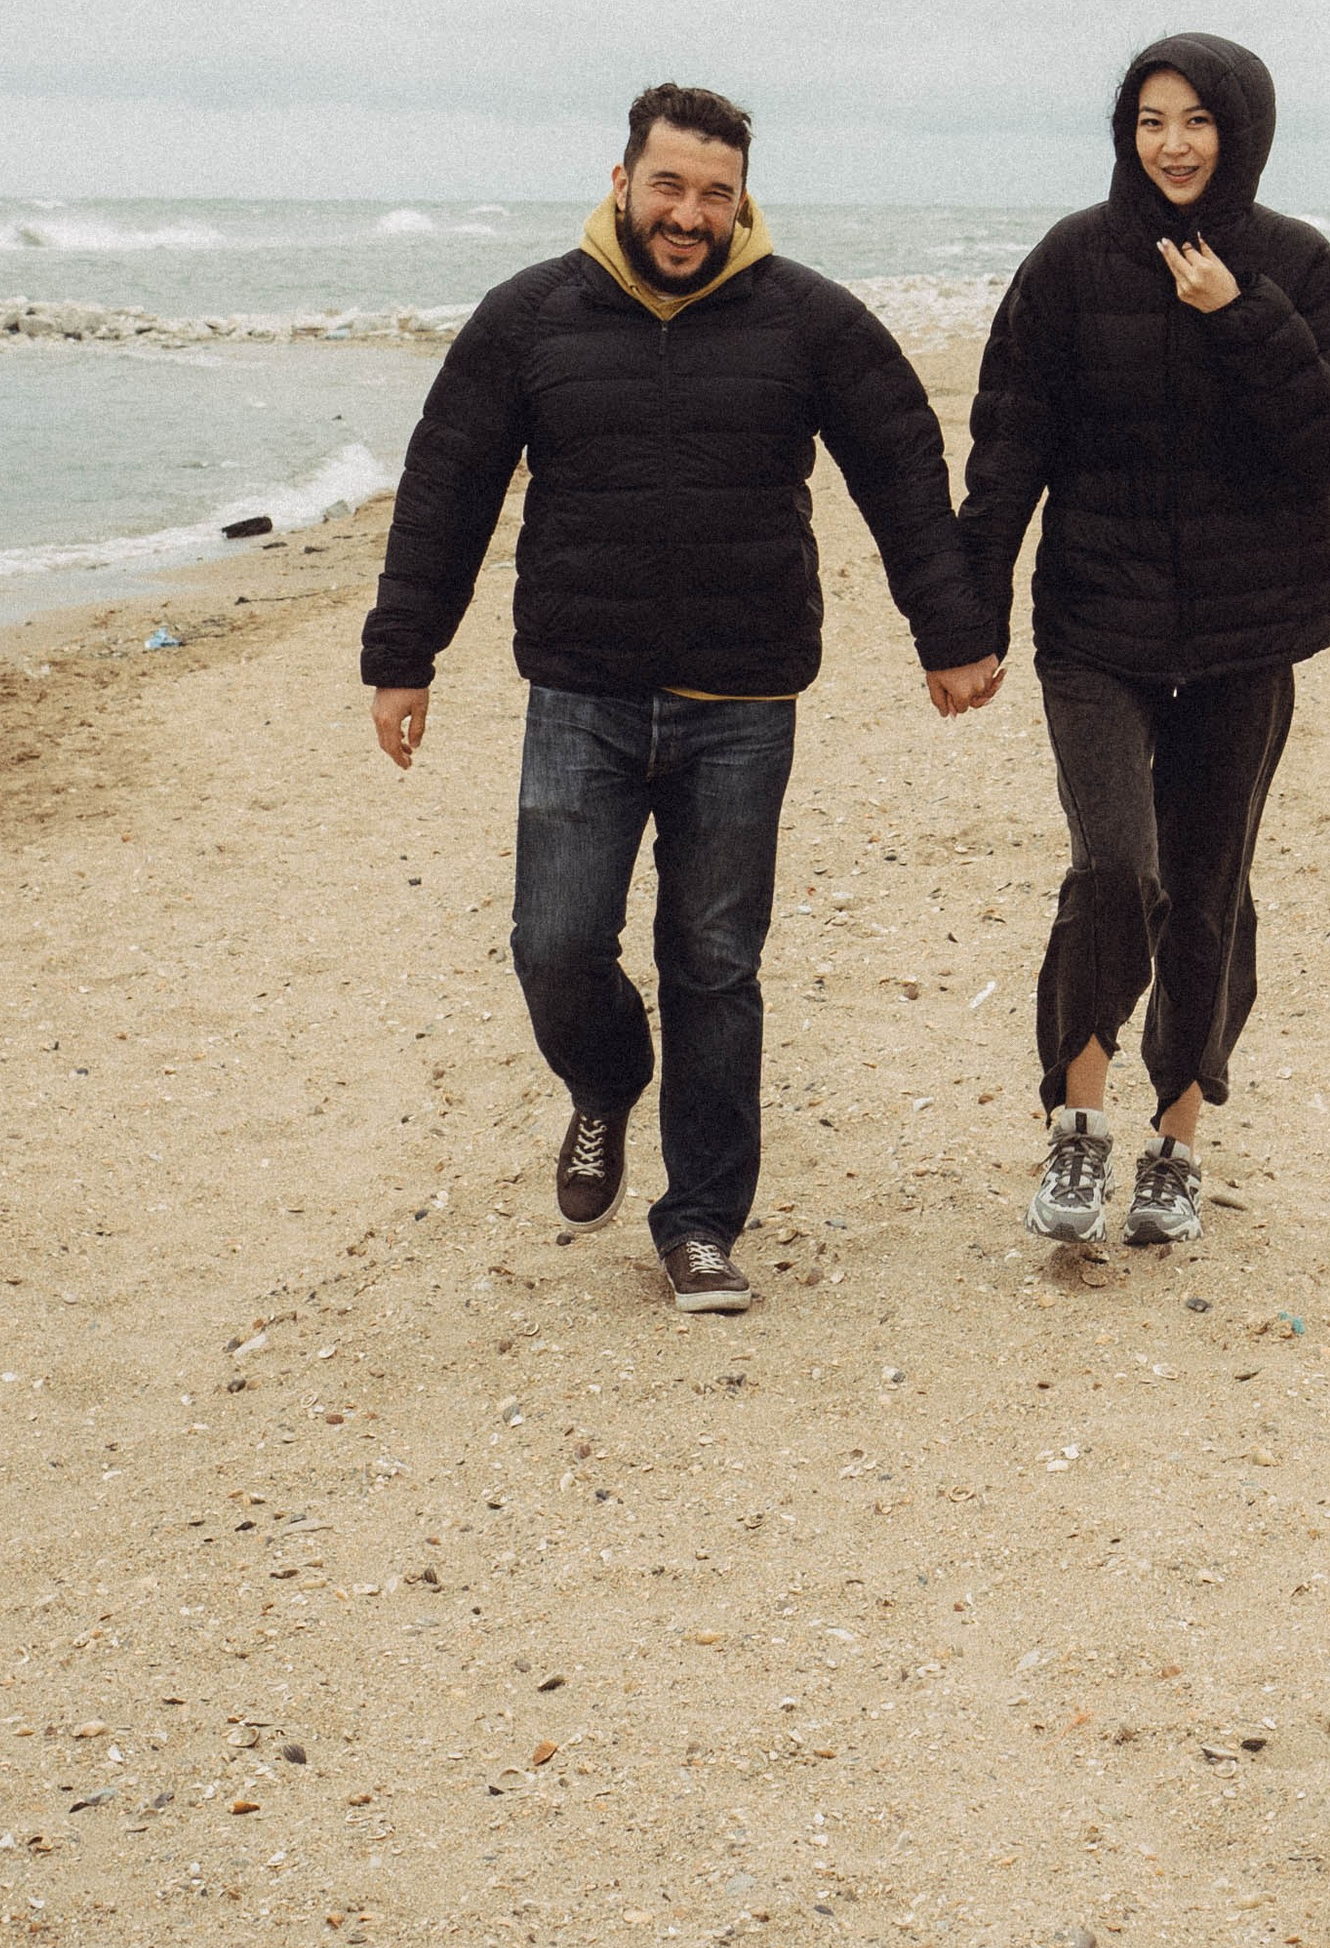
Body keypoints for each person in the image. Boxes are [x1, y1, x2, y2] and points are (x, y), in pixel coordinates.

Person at [362, 82, 1002, 1317]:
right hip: (580, 695)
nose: (690, 212)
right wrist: (405, 652)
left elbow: (903, 471)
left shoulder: (809, 321)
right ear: (621, 182)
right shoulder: (531, 316)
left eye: (716, 192)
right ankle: (605, 1085)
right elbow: (446, 481)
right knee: (554, 946)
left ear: (742, 198)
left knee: (714, 962)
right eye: (669, 184)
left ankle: (701, 1222)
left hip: (742, 697)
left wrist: (953, 630)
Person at [958, 34, 1330, 1250]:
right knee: (1113, 868)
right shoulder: (1071, 263)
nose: (1173, 143)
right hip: (1096, 626)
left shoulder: (1299, 267)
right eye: (1149, 120)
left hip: (1250, 636)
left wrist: (1242, 316)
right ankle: (1078, 1133)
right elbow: (1005, 451)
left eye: (1196, 120)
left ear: (1239, 128)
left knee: (1205, 891)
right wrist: (966, 621)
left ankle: (1177, 1147)